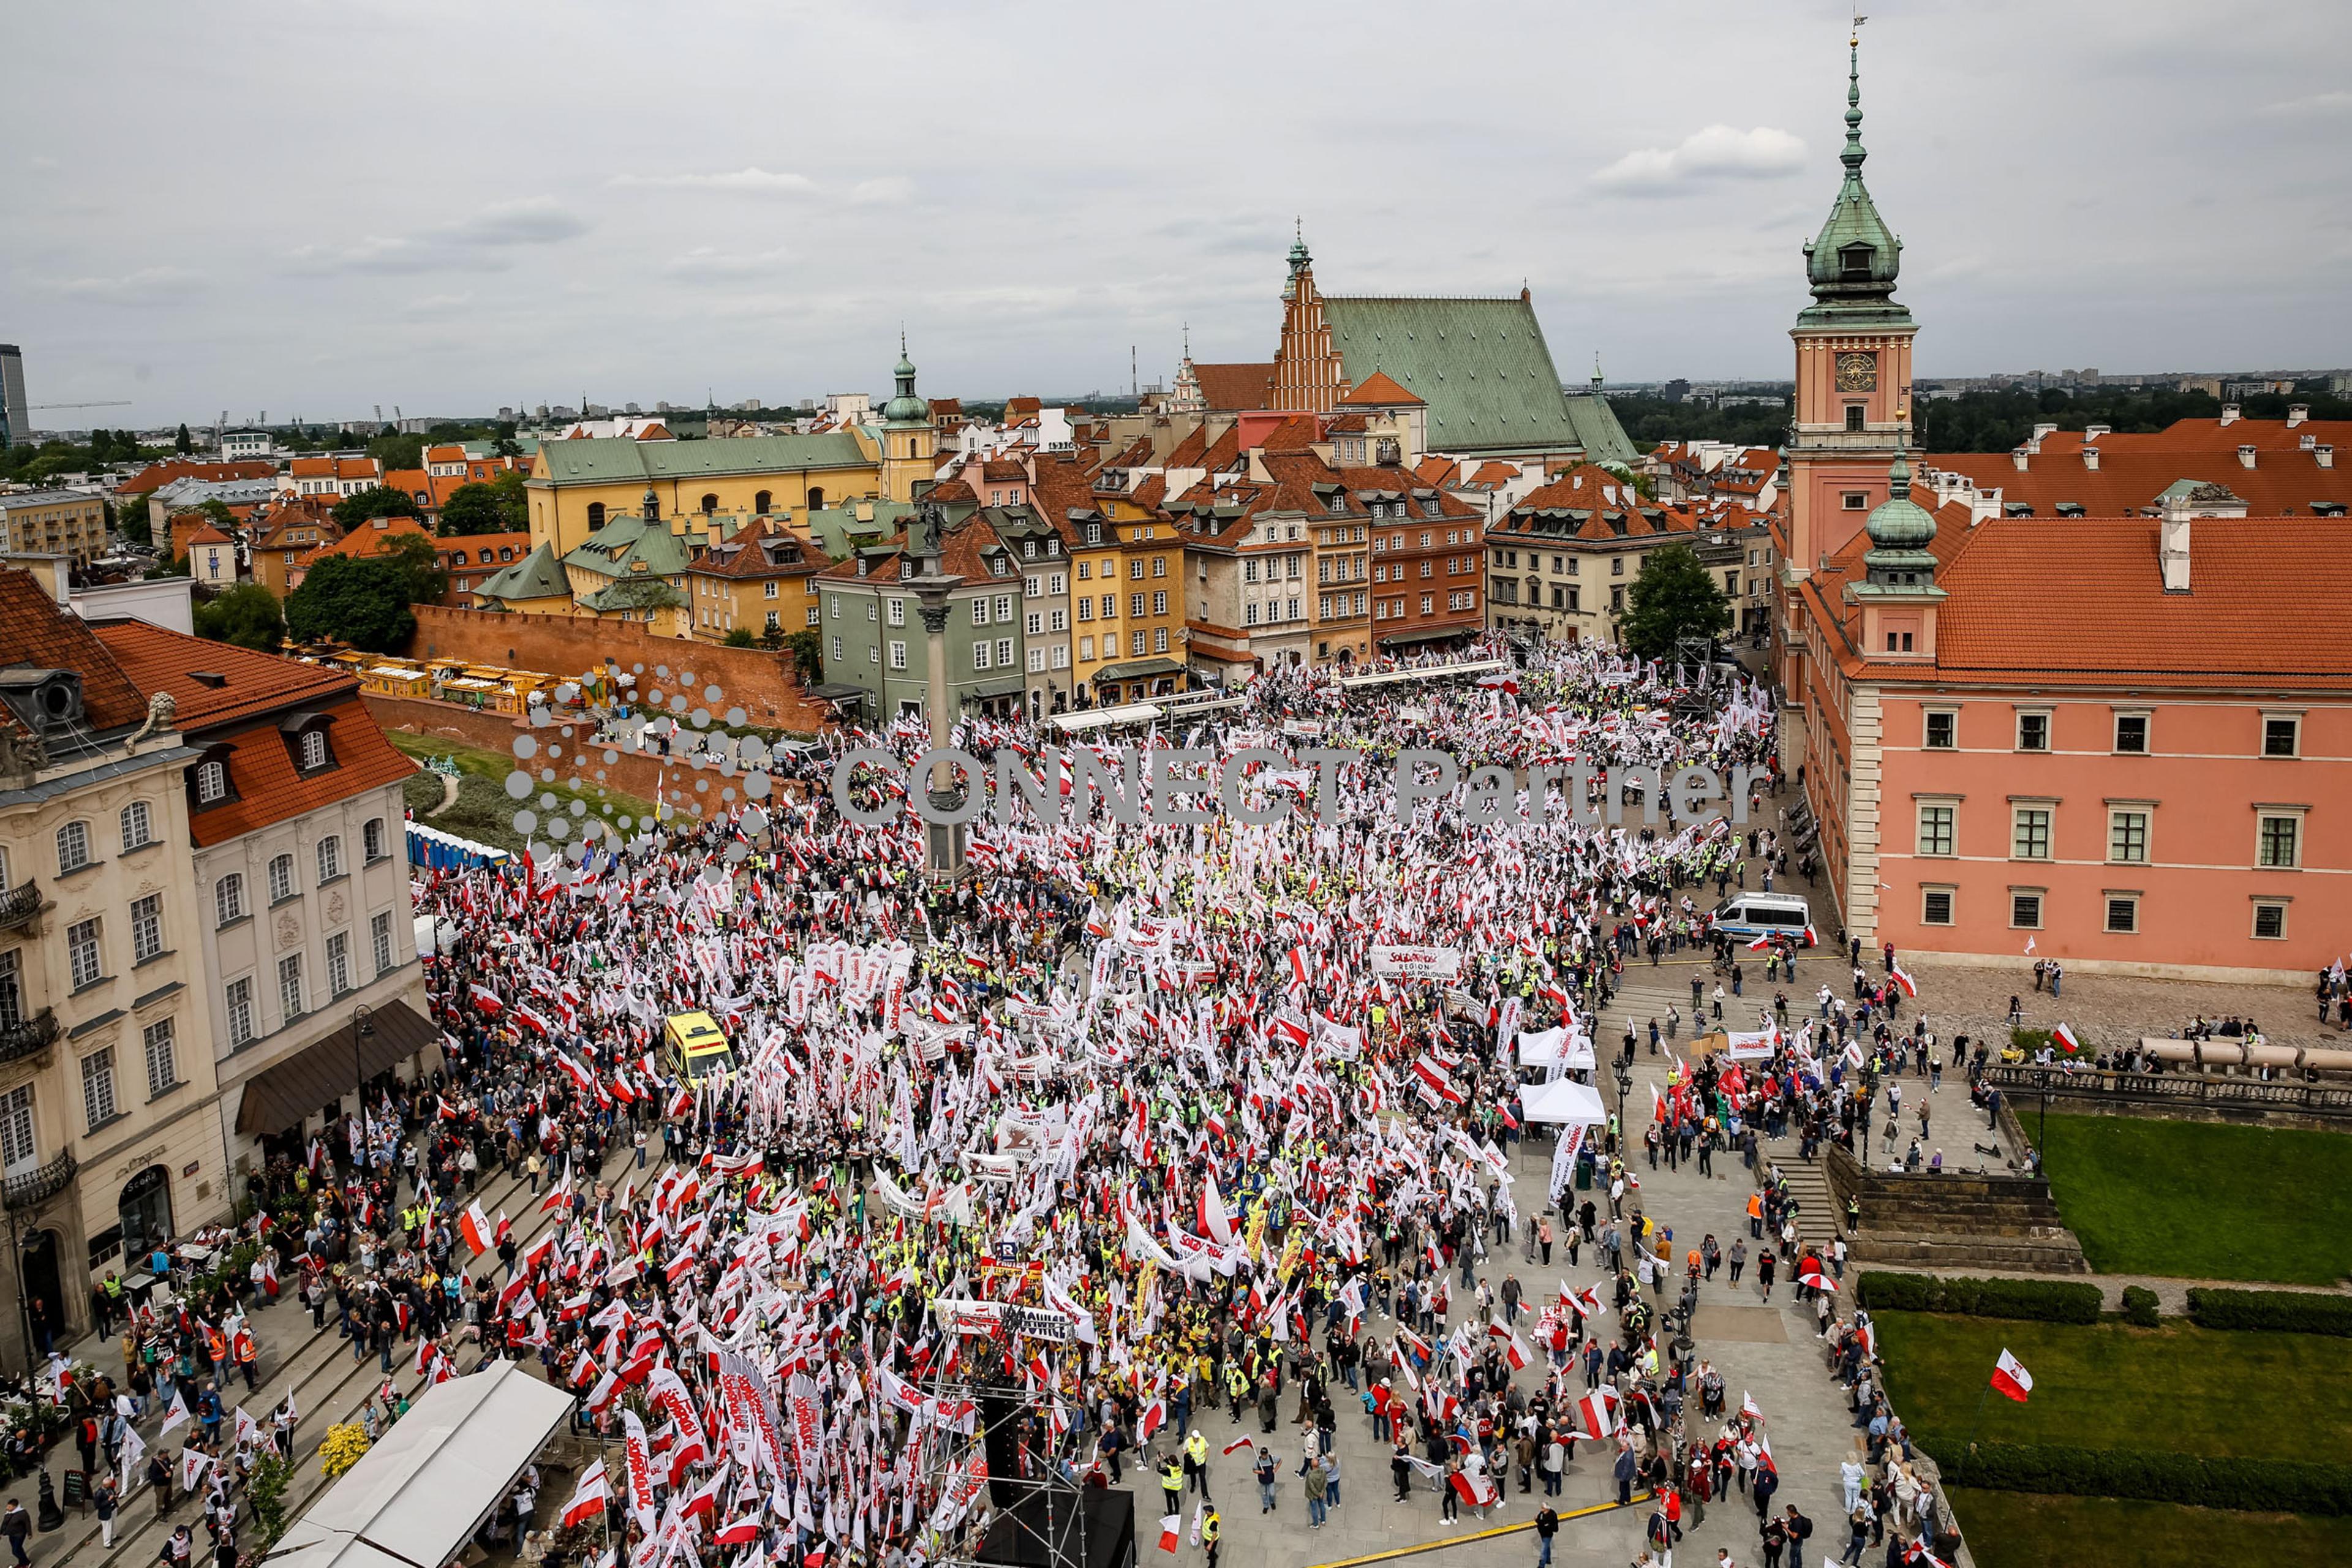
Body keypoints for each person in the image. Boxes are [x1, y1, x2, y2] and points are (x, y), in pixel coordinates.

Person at [1534, 1502, 1559, 1567]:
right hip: (1543, 1534)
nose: (1541, 1509)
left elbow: (1542, 1522)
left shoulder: (1551, 1516)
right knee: (1547, 1547)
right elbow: (1540, 1519)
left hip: (1547, 1535)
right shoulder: (1543, 1513)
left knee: (1543, 1551)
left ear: (1546, 1509)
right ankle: (1548, 1559)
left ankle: (1542, 1565)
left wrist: (1537, 1520)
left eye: (1543, 1508)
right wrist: (1537, 1519)